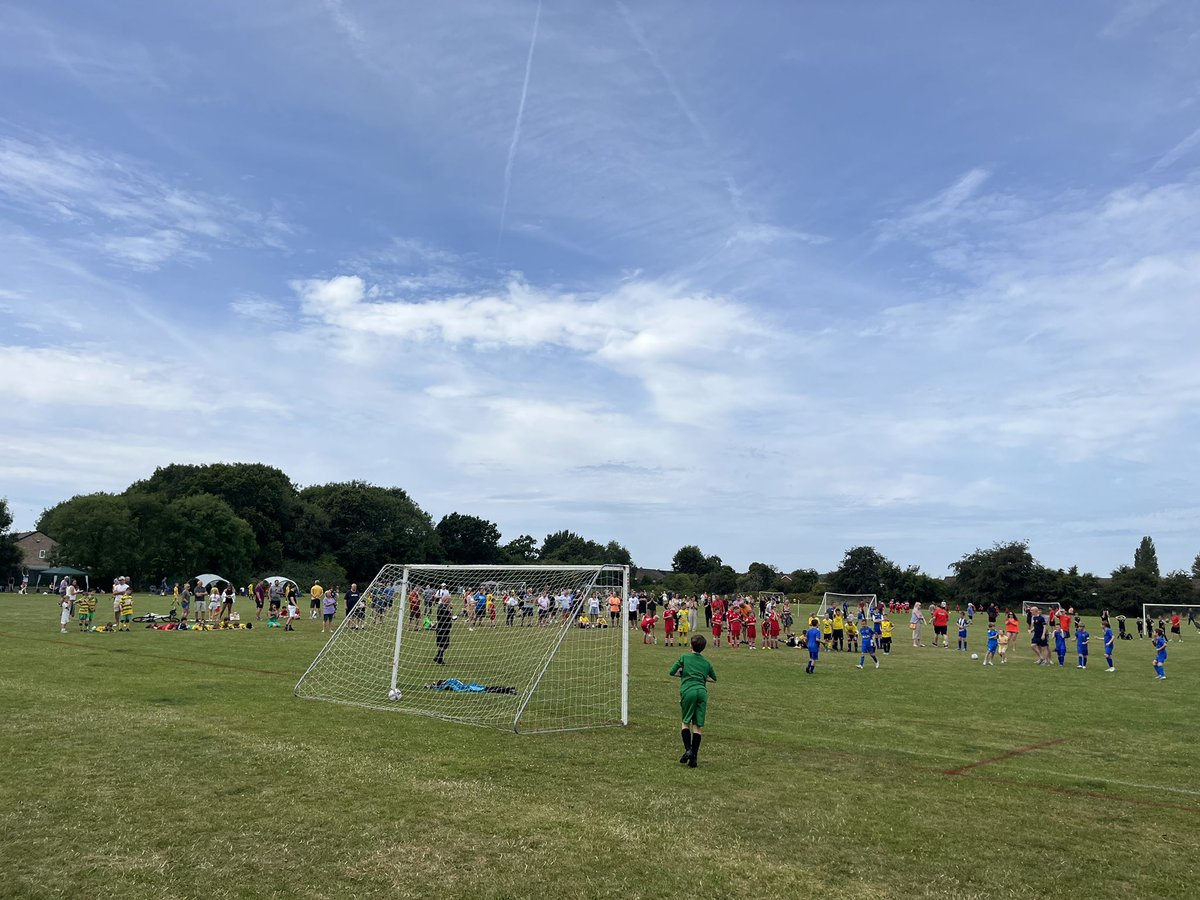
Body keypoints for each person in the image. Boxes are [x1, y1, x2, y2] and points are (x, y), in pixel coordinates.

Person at [670, 633, 717, 769]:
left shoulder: (684, 657)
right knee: (697, 726)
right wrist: (701, 677)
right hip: (702, 693)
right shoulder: (706, 662)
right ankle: (694, 758)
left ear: (691, 645)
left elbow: (672, 671)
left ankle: (689, 750)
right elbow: (713, 678)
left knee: (686, 722)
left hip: (688, 691)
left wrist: (684, 674)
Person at [434, 593, 453, 665]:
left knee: (444, 644)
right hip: (442, 627)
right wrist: (450, 609)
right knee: (444, 643)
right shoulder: (443, 607)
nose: (450, 601)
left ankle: (438, 657)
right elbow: (449, 615)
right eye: (449, 600)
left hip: (444, 627)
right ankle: (439, 658)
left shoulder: (444, 606)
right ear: (446, 600)